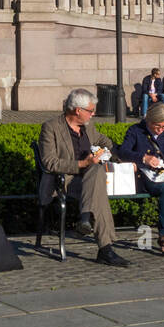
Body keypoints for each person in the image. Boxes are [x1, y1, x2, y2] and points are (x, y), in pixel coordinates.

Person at [38, 89, 129, 267]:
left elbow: (106, 141)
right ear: (77, 110)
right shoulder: (51, 127)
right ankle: (105, 250)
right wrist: (81, 164)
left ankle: (86, 219)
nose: (93, 114)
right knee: (98, 189)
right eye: (90, 110)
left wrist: (114, 155)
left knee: (95, 172)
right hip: (64, 181)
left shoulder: (88, 126)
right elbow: (49, 162)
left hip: (89, 180)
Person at [118, 102, 164, 257]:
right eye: (158, 126)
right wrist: (143, 158)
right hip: (143, 176)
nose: (161, 130)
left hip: (163, 173)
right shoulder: (135, 131)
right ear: (149, 121)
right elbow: (123, 152)